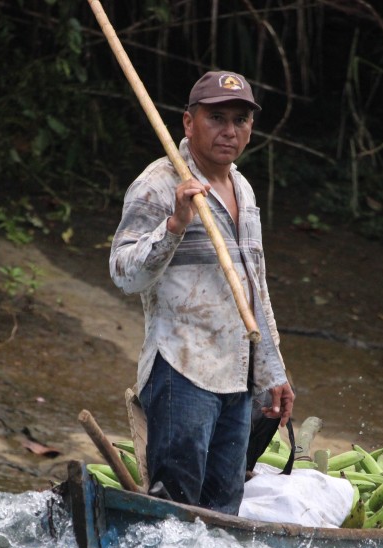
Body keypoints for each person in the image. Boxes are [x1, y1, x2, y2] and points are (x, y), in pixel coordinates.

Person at [110, 70, 295, 514]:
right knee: (176, 506)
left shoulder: (243, 188)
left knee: (223, 509)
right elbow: (123, 274)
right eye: (216, 118)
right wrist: (175, 225)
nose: (229, 131)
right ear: (188, 123)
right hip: (182, 369)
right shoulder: (157, 185)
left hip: (237, 375)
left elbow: (255, 286)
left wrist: (273, 370)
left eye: (240, 120)